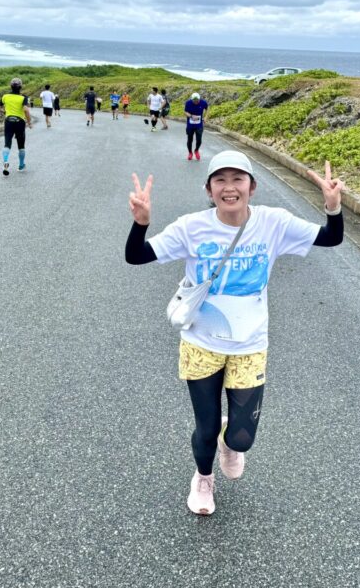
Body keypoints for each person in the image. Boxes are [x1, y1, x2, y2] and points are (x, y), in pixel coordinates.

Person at [125, 150, 344, 516]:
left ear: (252, 187)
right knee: (206, 426)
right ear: (209, 189)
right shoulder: (191, 227)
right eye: (220, 180)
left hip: (249, 345)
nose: (229, 188)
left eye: (238, 179)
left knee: (242, 437)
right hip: (201, 343)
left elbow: (331, 238)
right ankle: (203, 478)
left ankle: (229, 444)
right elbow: (136, 255)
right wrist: (141, 223)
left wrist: (333, 207)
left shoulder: (273, 223)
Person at [0, 77, 32, 176]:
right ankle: (21, 165)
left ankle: (5, 161)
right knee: (21, 145)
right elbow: (26, 110)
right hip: (19, 122)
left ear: (11, 86)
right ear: (21, 87)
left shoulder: (5, 96)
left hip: (8, 121)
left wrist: (6, 111)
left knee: (7, 143)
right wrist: (29, 122)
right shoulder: (23, 98)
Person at [184, 92, 208, 161]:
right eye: (194, 101)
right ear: (192, 100)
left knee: (199, 140)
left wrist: (206, 117)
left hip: (199, 125)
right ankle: (190, 153)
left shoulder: (203, 102)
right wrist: (191, 116)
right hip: (190, 124)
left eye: (197, 100)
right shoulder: (188, 103)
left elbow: (207, 109)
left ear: (199, 99)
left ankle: (196, 150)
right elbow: (185, 112)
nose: (196, 102)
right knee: (189, 140)